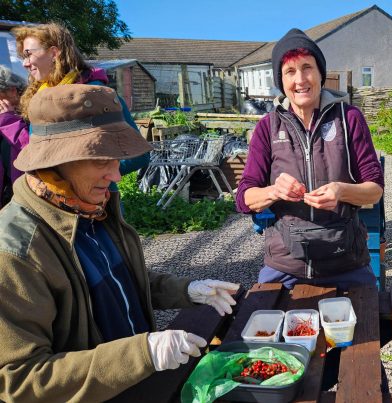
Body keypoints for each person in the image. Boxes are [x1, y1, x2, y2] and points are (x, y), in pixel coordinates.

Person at [0, 84, 239, 402]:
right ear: (54, 161)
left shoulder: (91, 208)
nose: (115, 175)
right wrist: (142, 354)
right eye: (101, 158)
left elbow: (119, 282)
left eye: (117, 157)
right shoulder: (15, 251)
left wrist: (187, 290)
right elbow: (19, 380)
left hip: (137, 385)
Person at [236, 28, 384, 289]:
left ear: (320, 74)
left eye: (307, 68)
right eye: (290, 72)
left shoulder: (349, 119)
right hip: (286, 263)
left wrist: (341, 191)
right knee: (258, 317)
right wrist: (274, 191)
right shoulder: (267, 128)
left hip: (346, 258)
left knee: (368, 323)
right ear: (281, 81)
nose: (300, 79)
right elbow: (244, 198)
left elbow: (374, 191)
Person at [11, 22, 149, 185]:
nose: (25, 63)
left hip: (95, 204)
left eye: (28, 54)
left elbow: (138, 155)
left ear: (54, 53)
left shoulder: (97, 95)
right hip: (52, 198)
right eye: (23, 57)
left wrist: (88, 178)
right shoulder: (39, 97)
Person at [0, 65, 29, 207]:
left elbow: (33, 150)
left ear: (12, 91)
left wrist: (9, 121)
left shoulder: (31, 113)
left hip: (22, 199)